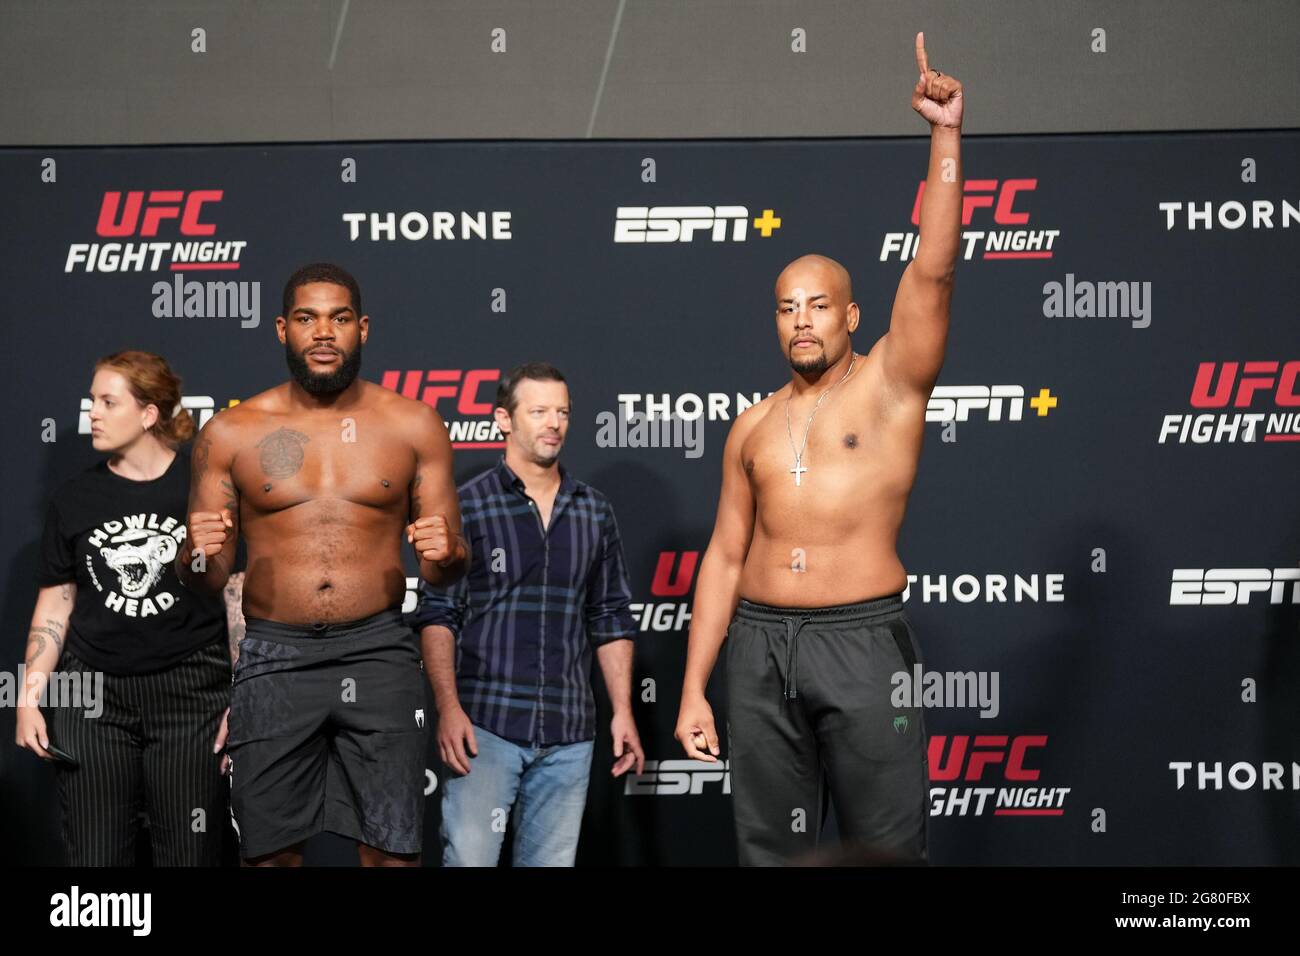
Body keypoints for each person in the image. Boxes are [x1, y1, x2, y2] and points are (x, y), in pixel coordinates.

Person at [673, 33, 964, 865]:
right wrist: (695, 685)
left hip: (864, 644)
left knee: (885, 849)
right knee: (770, 853)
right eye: (785, 307)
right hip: (759, 649)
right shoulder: (753, 425)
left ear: (851, 317)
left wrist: (945, 137)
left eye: (818, 305)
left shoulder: (890, 385)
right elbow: (726, 557)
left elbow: (934, 272)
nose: (801, 318)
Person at [176, 262, 468, 867]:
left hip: (379, 649)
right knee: (271, 855)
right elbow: (206, 578)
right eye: (307, 319)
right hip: (275, 655)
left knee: (392, 852)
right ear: (282, 329)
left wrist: (447, 555)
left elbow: (446, 569)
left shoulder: (414, 423)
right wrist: (196, 553)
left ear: (362, 328)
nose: (324, 333)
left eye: (339, 319)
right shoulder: (230, 432)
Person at [412, 362, 644, 866]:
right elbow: (438, 614)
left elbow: (610, 617)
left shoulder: (593, 511)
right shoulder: (466, 506)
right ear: (503, 420)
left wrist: (623, 709)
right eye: (538, 411)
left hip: (570, 732)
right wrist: (448, 709)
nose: (553, 423)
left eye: (561, 412)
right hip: (485, 726)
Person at [18, 350, 233, 865]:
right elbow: (55, 603)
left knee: (189, 852)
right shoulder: (74, 499)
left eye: (107, 401)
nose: (91, 412)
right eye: (92, 400)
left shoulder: (201, 492)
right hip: (94, 697)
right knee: (94, 856)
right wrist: (28, 697)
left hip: (190, 694)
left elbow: (235, 594)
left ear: (149, 413)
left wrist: (244, 692)